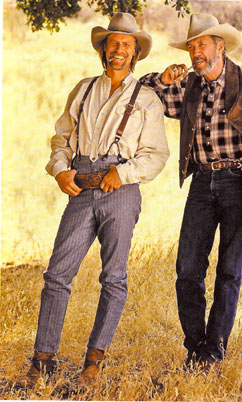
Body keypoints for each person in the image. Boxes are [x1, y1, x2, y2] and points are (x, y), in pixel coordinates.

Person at [20, 12, 169, 389]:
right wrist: (60, 170)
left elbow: (156, 154)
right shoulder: (83, 89)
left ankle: (93, 362)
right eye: (112, 44)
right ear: (104, 50)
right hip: (82, 186)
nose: (118, 51)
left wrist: (124, 173)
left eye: (126, 46)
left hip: (121, 188)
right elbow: (61, 138)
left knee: (113, 277)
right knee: (57, 274)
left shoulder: (148, 98)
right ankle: (43, 360)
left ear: (136, 54)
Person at [140, 13, 242, 372]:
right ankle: (195, 343)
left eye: (202, 44)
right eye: (192, 46)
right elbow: (141, 93)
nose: (196, 52)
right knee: (187, 269)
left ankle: (214, 348)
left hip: (238, 182)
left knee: (229, 271)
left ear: (220, 46)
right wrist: (161, 77)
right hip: (201, 182)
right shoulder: (188, 86)